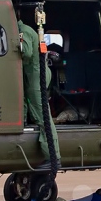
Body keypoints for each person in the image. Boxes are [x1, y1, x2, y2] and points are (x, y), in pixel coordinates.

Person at [18, 17, 61, 168]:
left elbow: (27, 53)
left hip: (37, 76)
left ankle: (53, 157)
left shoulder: (23, 32)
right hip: (32, 76)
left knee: (43, 116)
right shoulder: (23, 31)